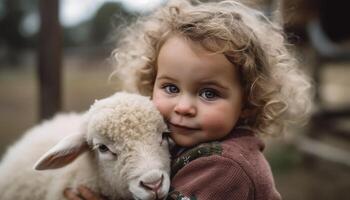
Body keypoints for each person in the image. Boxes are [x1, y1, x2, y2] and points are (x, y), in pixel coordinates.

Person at [64, 0, 312, 199]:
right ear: (152, 84)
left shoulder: (225, 167)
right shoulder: (176, 144)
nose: (183, 107)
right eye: (171, 88)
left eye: (209, 93)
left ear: (248, 103)